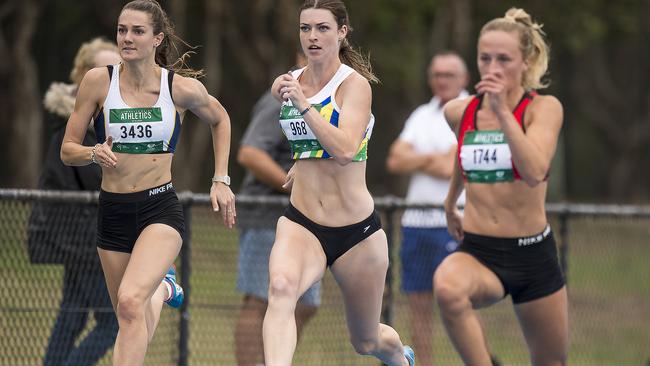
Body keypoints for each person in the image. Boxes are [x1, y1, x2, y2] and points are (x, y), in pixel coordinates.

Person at [60, 1, 235, 365]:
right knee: (131, 315)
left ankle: (160, 285)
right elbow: (67, 150)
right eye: (122, 30)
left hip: (159, 208)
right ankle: (164, 287)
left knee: (128, 301)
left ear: (157, 38)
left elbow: (220, 119)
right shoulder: (98, 81)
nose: (127, 37)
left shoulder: (180, 89)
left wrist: (220, 178)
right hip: (113, 211)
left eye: (137, 31)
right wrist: (93, 153)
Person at [262, 1, 414, 365]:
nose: (312, 37)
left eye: (323, 28)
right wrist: (303, 158)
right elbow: (306, 139)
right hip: (302, 222)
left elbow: (346, 148)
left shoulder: (354, 86)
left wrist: (304, 106)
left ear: (342, 32)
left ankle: (398, 357)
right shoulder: (286, 83)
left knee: (365, 339)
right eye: (305, 28)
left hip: (355, 232)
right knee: (281, 290)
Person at [435, 7, 567, 366]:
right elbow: (467, 155)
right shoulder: (458, 112)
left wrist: (503, 113)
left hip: (531, 253)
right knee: (447, 286)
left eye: (504, 59)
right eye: (485, 58)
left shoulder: (543, 109)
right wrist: (450, 203)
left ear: (525, 62)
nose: (493, 68)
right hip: (481, 251)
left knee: (551, 361)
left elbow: (535, 169)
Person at [34, 37, 120, 366]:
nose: (111, 76)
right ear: (83, 74)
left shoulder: (105, 119)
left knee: (72, 317)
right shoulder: (75, 126)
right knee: (111, 323)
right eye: (103, 69)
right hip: (83, 241)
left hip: (82, 239)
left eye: (116, 69)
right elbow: (100, 179)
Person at [234, 64, 322, 366]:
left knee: (307, 303)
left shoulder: (333, 99)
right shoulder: (281, 98)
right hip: (266, 215)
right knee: (260, 299)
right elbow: (249, 152)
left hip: (306, 221)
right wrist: (293, 185)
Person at [386, 51, 469, 366]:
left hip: (456, 221)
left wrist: (418, 158)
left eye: (449, 74)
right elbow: (395, 160)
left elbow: (456, 164)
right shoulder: (422, 114)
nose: (442, 80)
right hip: (416, 225)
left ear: (464, 78)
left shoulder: (472, 109)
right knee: (418, 305)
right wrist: (433, 158)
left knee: (460, 305)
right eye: (437, 74)